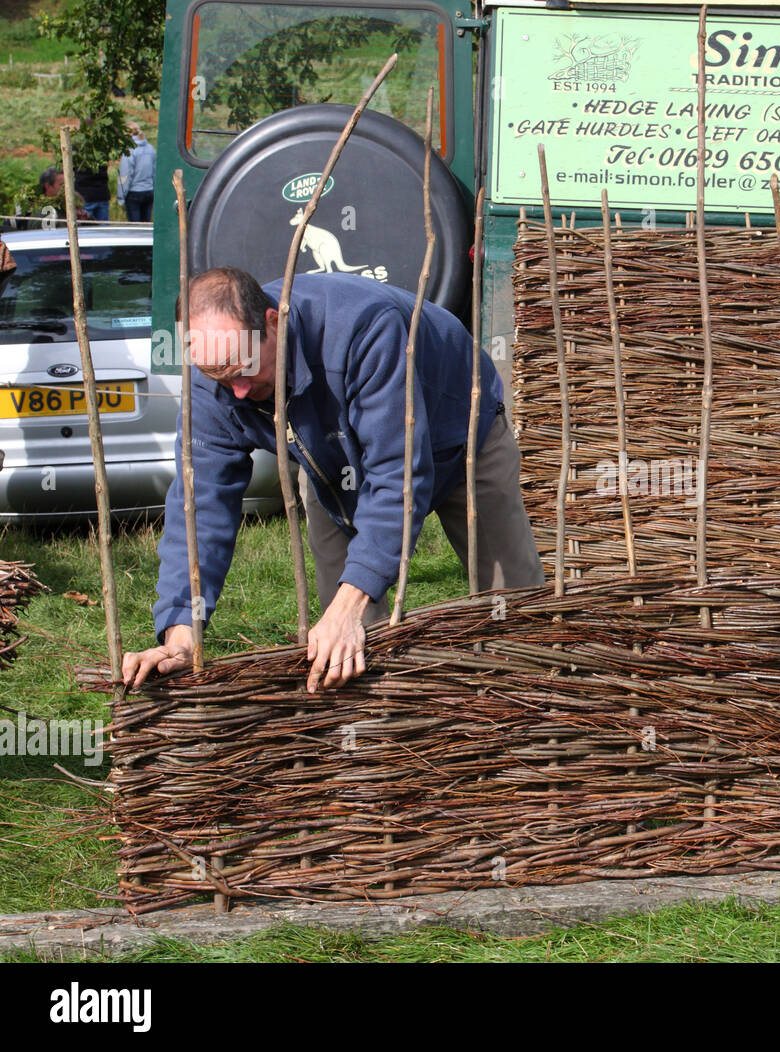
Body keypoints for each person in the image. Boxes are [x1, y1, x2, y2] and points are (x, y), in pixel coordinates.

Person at [121, 268, 544, 692]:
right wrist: (181, 632)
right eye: (221, 377)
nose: (239, 391)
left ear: (274, 322)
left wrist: (350, 604)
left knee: (513, 600)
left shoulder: (365, 328)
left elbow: (397, 475)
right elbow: (199, 505)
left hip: (457, 431)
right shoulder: (215, 369)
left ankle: (530, 700)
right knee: (341, 636)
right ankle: (374, 732)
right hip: (329, 457)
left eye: (244, 368)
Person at [117, 123, 156, 222]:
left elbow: (125, 175)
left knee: (134, 228)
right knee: (146, 226)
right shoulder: (150, 148)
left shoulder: (129, 151)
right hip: (149, 191)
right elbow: (155, 172)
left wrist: (121, 197)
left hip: (134, 193)